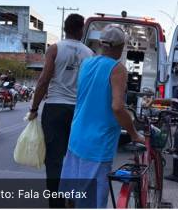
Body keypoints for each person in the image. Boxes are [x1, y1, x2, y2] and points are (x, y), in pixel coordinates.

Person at [59, 25, 145, 208]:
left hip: (76, 138)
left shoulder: (87, 63)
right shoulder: (118, 69)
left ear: (100, 43)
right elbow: (117, 107)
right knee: (92, 201)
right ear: (122, 46)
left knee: (73, 196)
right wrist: (134, 133)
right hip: (97, 144)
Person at [28, 14, 94, 208]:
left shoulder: (55, 49)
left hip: (55, 108)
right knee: (75, 158)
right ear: (81, 29)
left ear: (65, 28)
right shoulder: (89, 54)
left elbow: (44, 80)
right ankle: (72, 201)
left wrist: (33, 108)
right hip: (79, 111)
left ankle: (55, 205)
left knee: (54, 160)